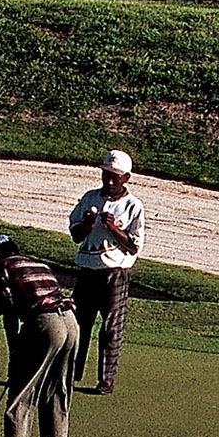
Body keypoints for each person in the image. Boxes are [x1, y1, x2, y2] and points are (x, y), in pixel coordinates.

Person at [0, 233, 75, 437]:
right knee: (56, 394)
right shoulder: (38, 263)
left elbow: (9, 315)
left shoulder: (1, 267)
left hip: (46, 323)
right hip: (70, 323)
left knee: (20, 398)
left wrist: (14, 355)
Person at [68, 150, 143, 393]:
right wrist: (88, 223)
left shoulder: (133, 206)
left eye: (115, 177)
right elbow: (76, 235)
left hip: (115, 273)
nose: (109, 181)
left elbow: (134, 246)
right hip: (87, 270)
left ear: (126, 178)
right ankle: (71, 373)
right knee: (79, 324)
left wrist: (113, 228)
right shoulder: (90, 197)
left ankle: (106, 380)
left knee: (111, 328)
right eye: (106, 174)